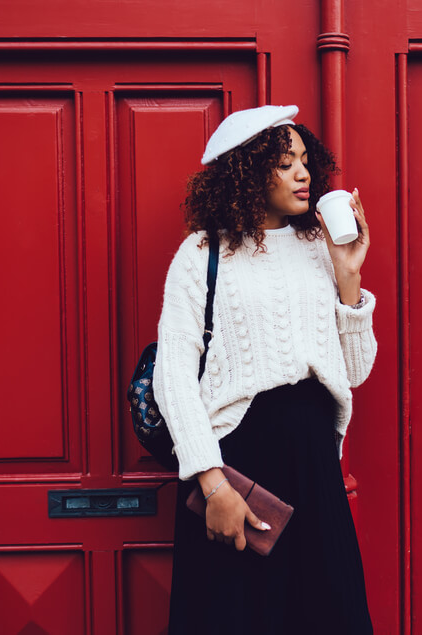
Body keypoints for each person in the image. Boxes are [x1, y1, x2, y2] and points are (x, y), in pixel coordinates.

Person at [153, 104, 377, 635]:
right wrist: (213, 486)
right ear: (247, 171)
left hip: (313, 463)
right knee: (236, 615)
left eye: (305, 160)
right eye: (284, 163)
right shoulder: (202, 253)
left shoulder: (319, 249)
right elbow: (175, 377)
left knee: (328, 611)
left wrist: (349, 277)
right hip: (239, 465)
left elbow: (357, 370)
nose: (303, 174)